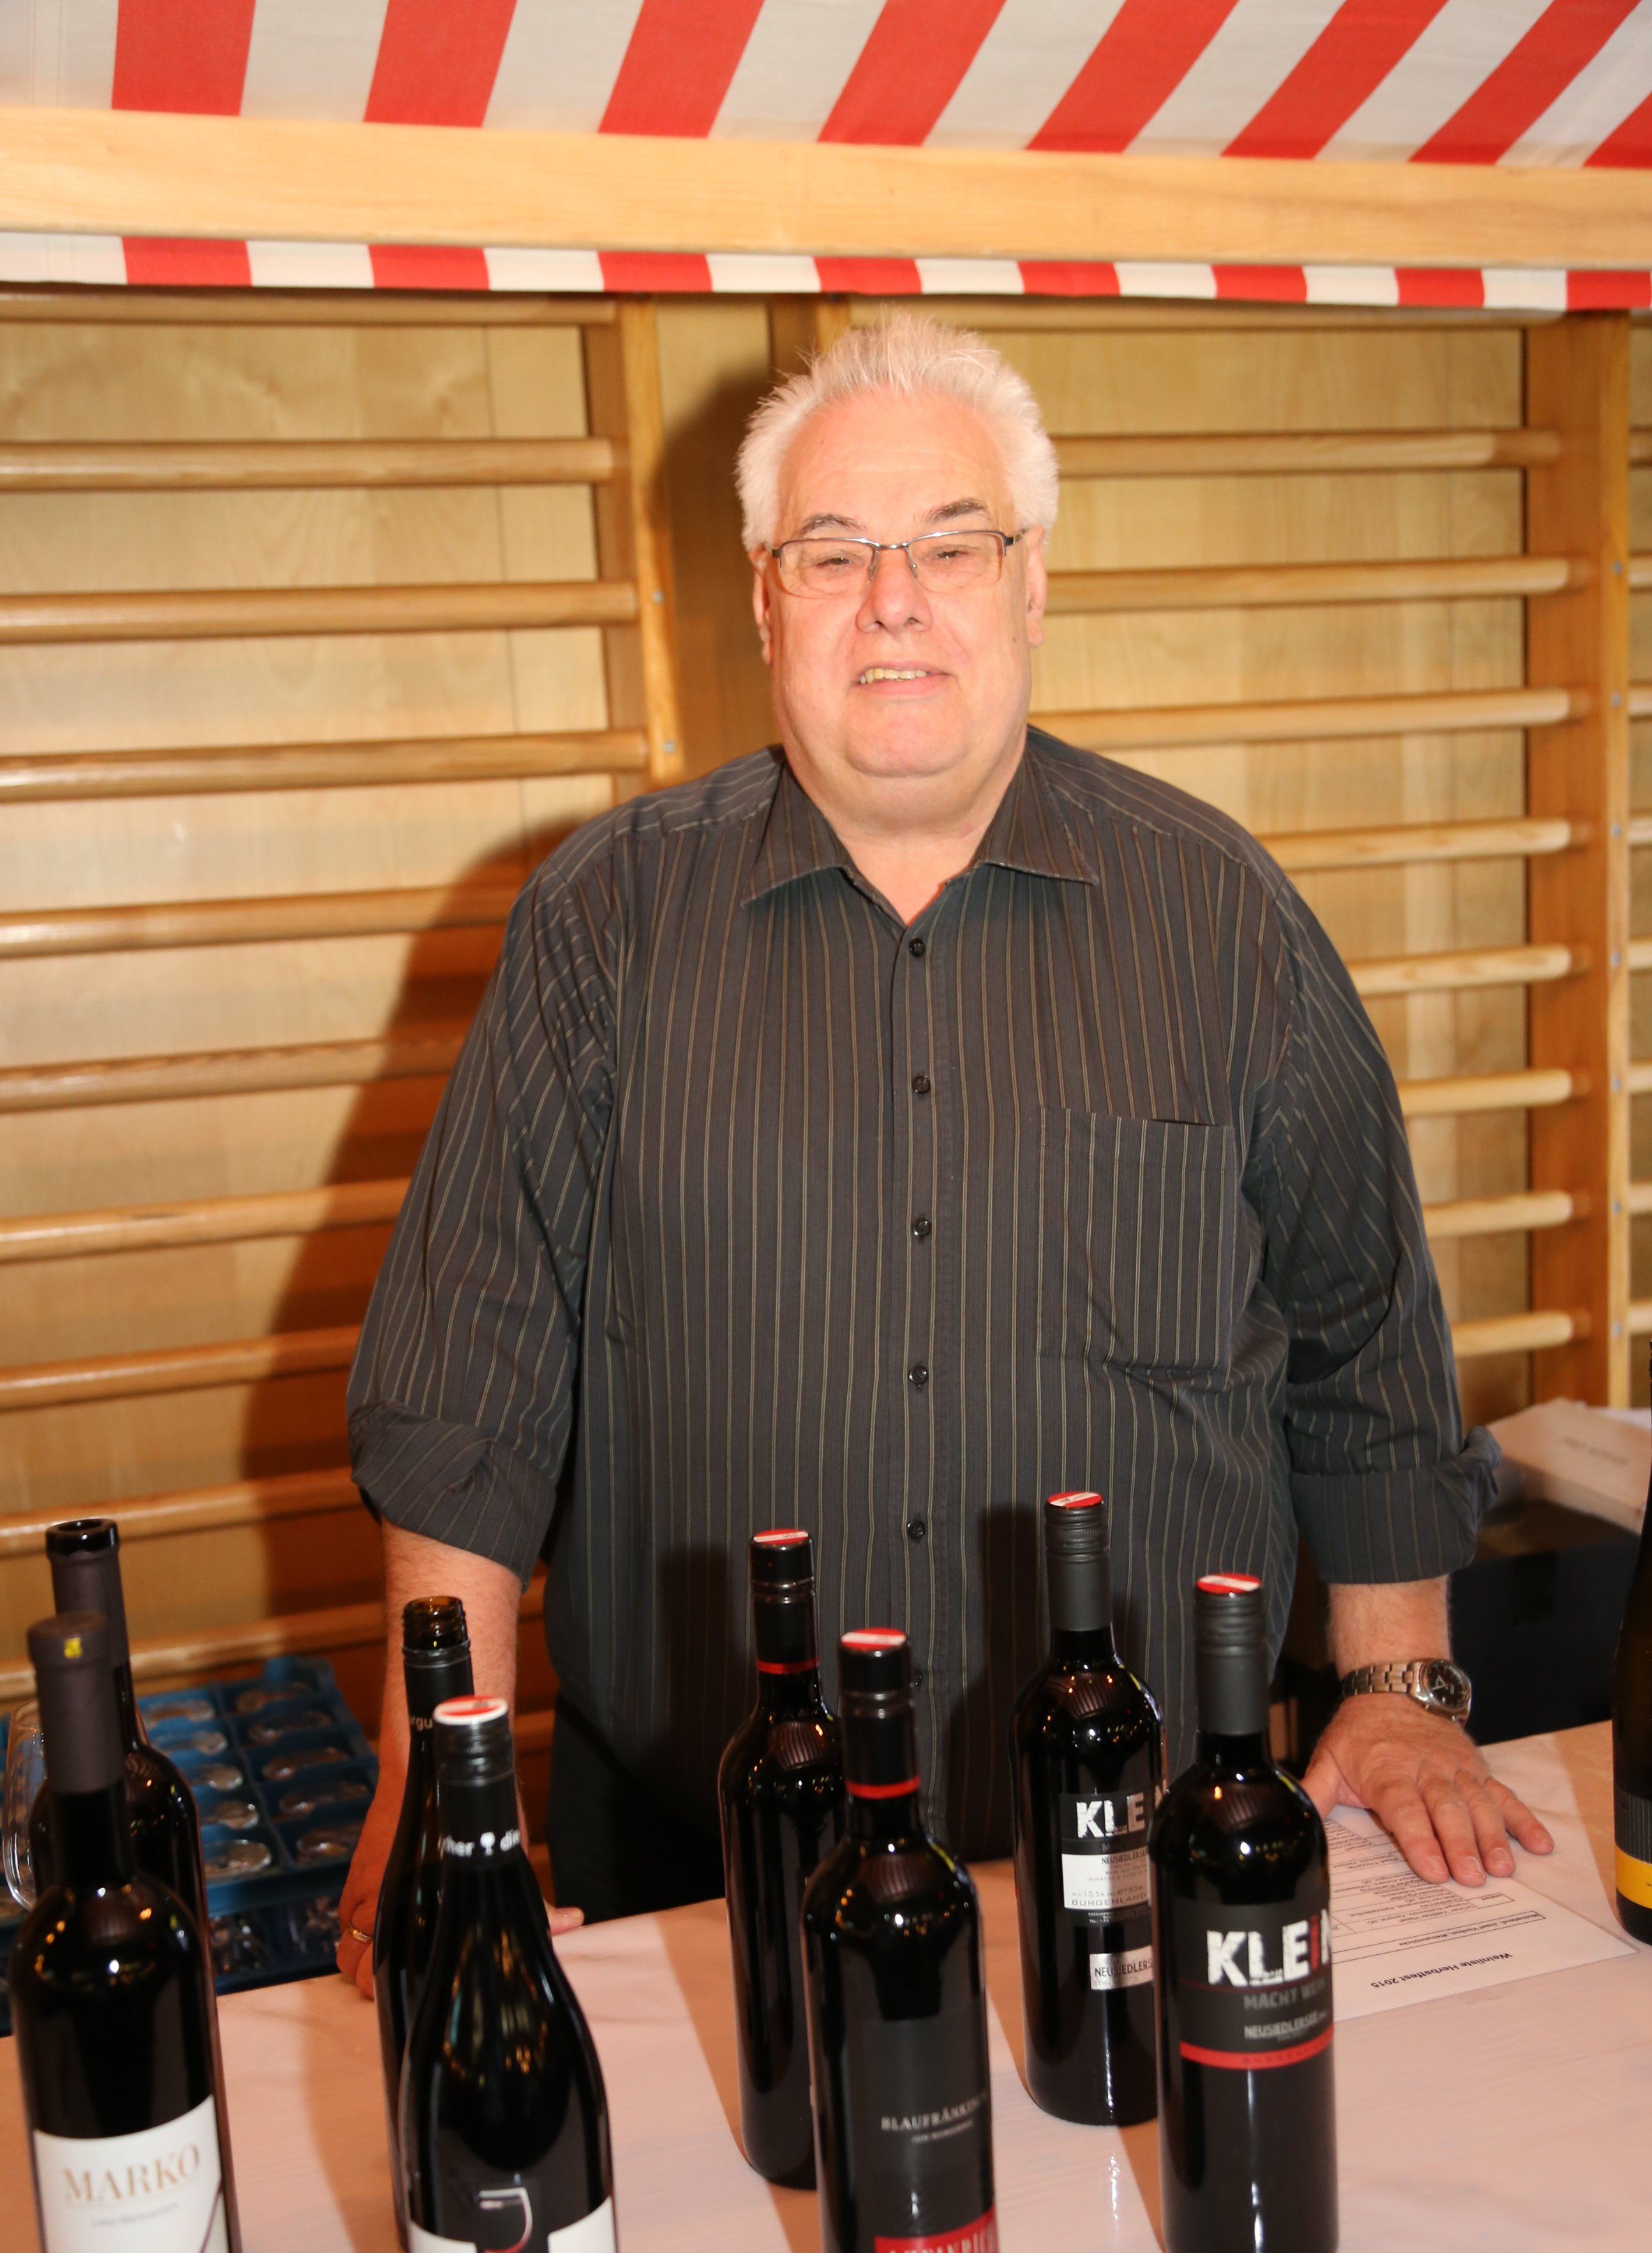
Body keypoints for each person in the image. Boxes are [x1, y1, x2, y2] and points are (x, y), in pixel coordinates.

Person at [336, 315, 1549, 1984]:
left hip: (1151, 1854)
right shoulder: (599, 928)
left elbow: (1364, 1347)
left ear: (1030, 582)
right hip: (705, 1879)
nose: (892, 599)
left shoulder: (1224, 921)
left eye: (950, 545)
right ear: (765, 599)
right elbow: (462, 1403)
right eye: (833, 551)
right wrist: (428, 1784)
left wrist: (1398, 1690)